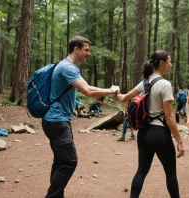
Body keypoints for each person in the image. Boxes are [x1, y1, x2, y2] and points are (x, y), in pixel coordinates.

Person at [42, 36, 119, 198]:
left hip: (57, 120)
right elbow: (88, 92)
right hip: (57, 121)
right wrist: (111, 90)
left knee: (61, 161)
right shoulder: (67, 67)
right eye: (86, 50)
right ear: (76, 49)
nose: (88, 53)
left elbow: (87, 87)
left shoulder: (68, 67)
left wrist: (105, 93)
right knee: (70, 162)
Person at [116, 50, 185, 198]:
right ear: (162, 63)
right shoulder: (165, 84)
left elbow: (123, 98)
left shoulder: (145, 82)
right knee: (171, 173)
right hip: (159, 133)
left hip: (143, 133)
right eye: (170, 62)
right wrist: (179, 140)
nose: (171, 65)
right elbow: (169, 117)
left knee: (141, 171)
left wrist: (115, 91)